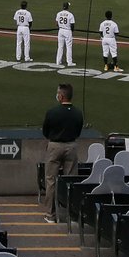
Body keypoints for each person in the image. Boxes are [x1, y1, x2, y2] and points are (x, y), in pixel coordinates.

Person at [41, 83, 84, 216]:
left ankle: (50, 213)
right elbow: (78, 131)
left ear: (61, 96)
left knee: (51, 180)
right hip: (71, 146)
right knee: (70, 180)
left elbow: (45, 131)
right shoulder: (78, 113)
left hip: (55, 146)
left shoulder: (52, 112)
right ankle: (71, 212)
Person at [53, 3, 76, 68]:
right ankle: (69, 62)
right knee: (69, 47)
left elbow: (56, 24)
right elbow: (72, 25)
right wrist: (71, 31)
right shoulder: (70, 15)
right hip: (68, 31)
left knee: (60, 46)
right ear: (68, 7)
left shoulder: (58, 13)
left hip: (60, 31)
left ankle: (58, 61)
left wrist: (61, 26)